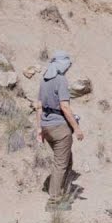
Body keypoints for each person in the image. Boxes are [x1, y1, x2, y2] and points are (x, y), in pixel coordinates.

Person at [38, 50, 84, 210]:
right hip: (60, 126)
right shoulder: (61, 80)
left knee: (65, 160)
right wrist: (77, 128)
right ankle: (54, 201)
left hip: (47, 125)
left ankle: (61, 192)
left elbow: (39, 106)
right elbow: (65, 106)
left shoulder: (44, 80)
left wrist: (40, 128)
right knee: (61, 164)